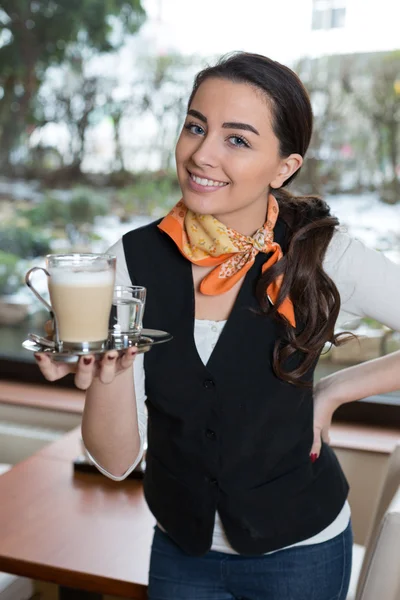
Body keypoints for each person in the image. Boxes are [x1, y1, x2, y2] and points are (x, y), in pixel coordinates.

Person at [34, 52, 400, 600]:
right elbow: (113, 464)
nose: (201, 154)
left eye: (238, 139)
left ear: (284, 166)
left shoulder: (325, 257)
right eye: (195, 126)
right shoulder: (131, 260)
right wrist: (108, 371)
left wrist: (336, 391)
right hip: (182, 550)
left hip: (301, 554)